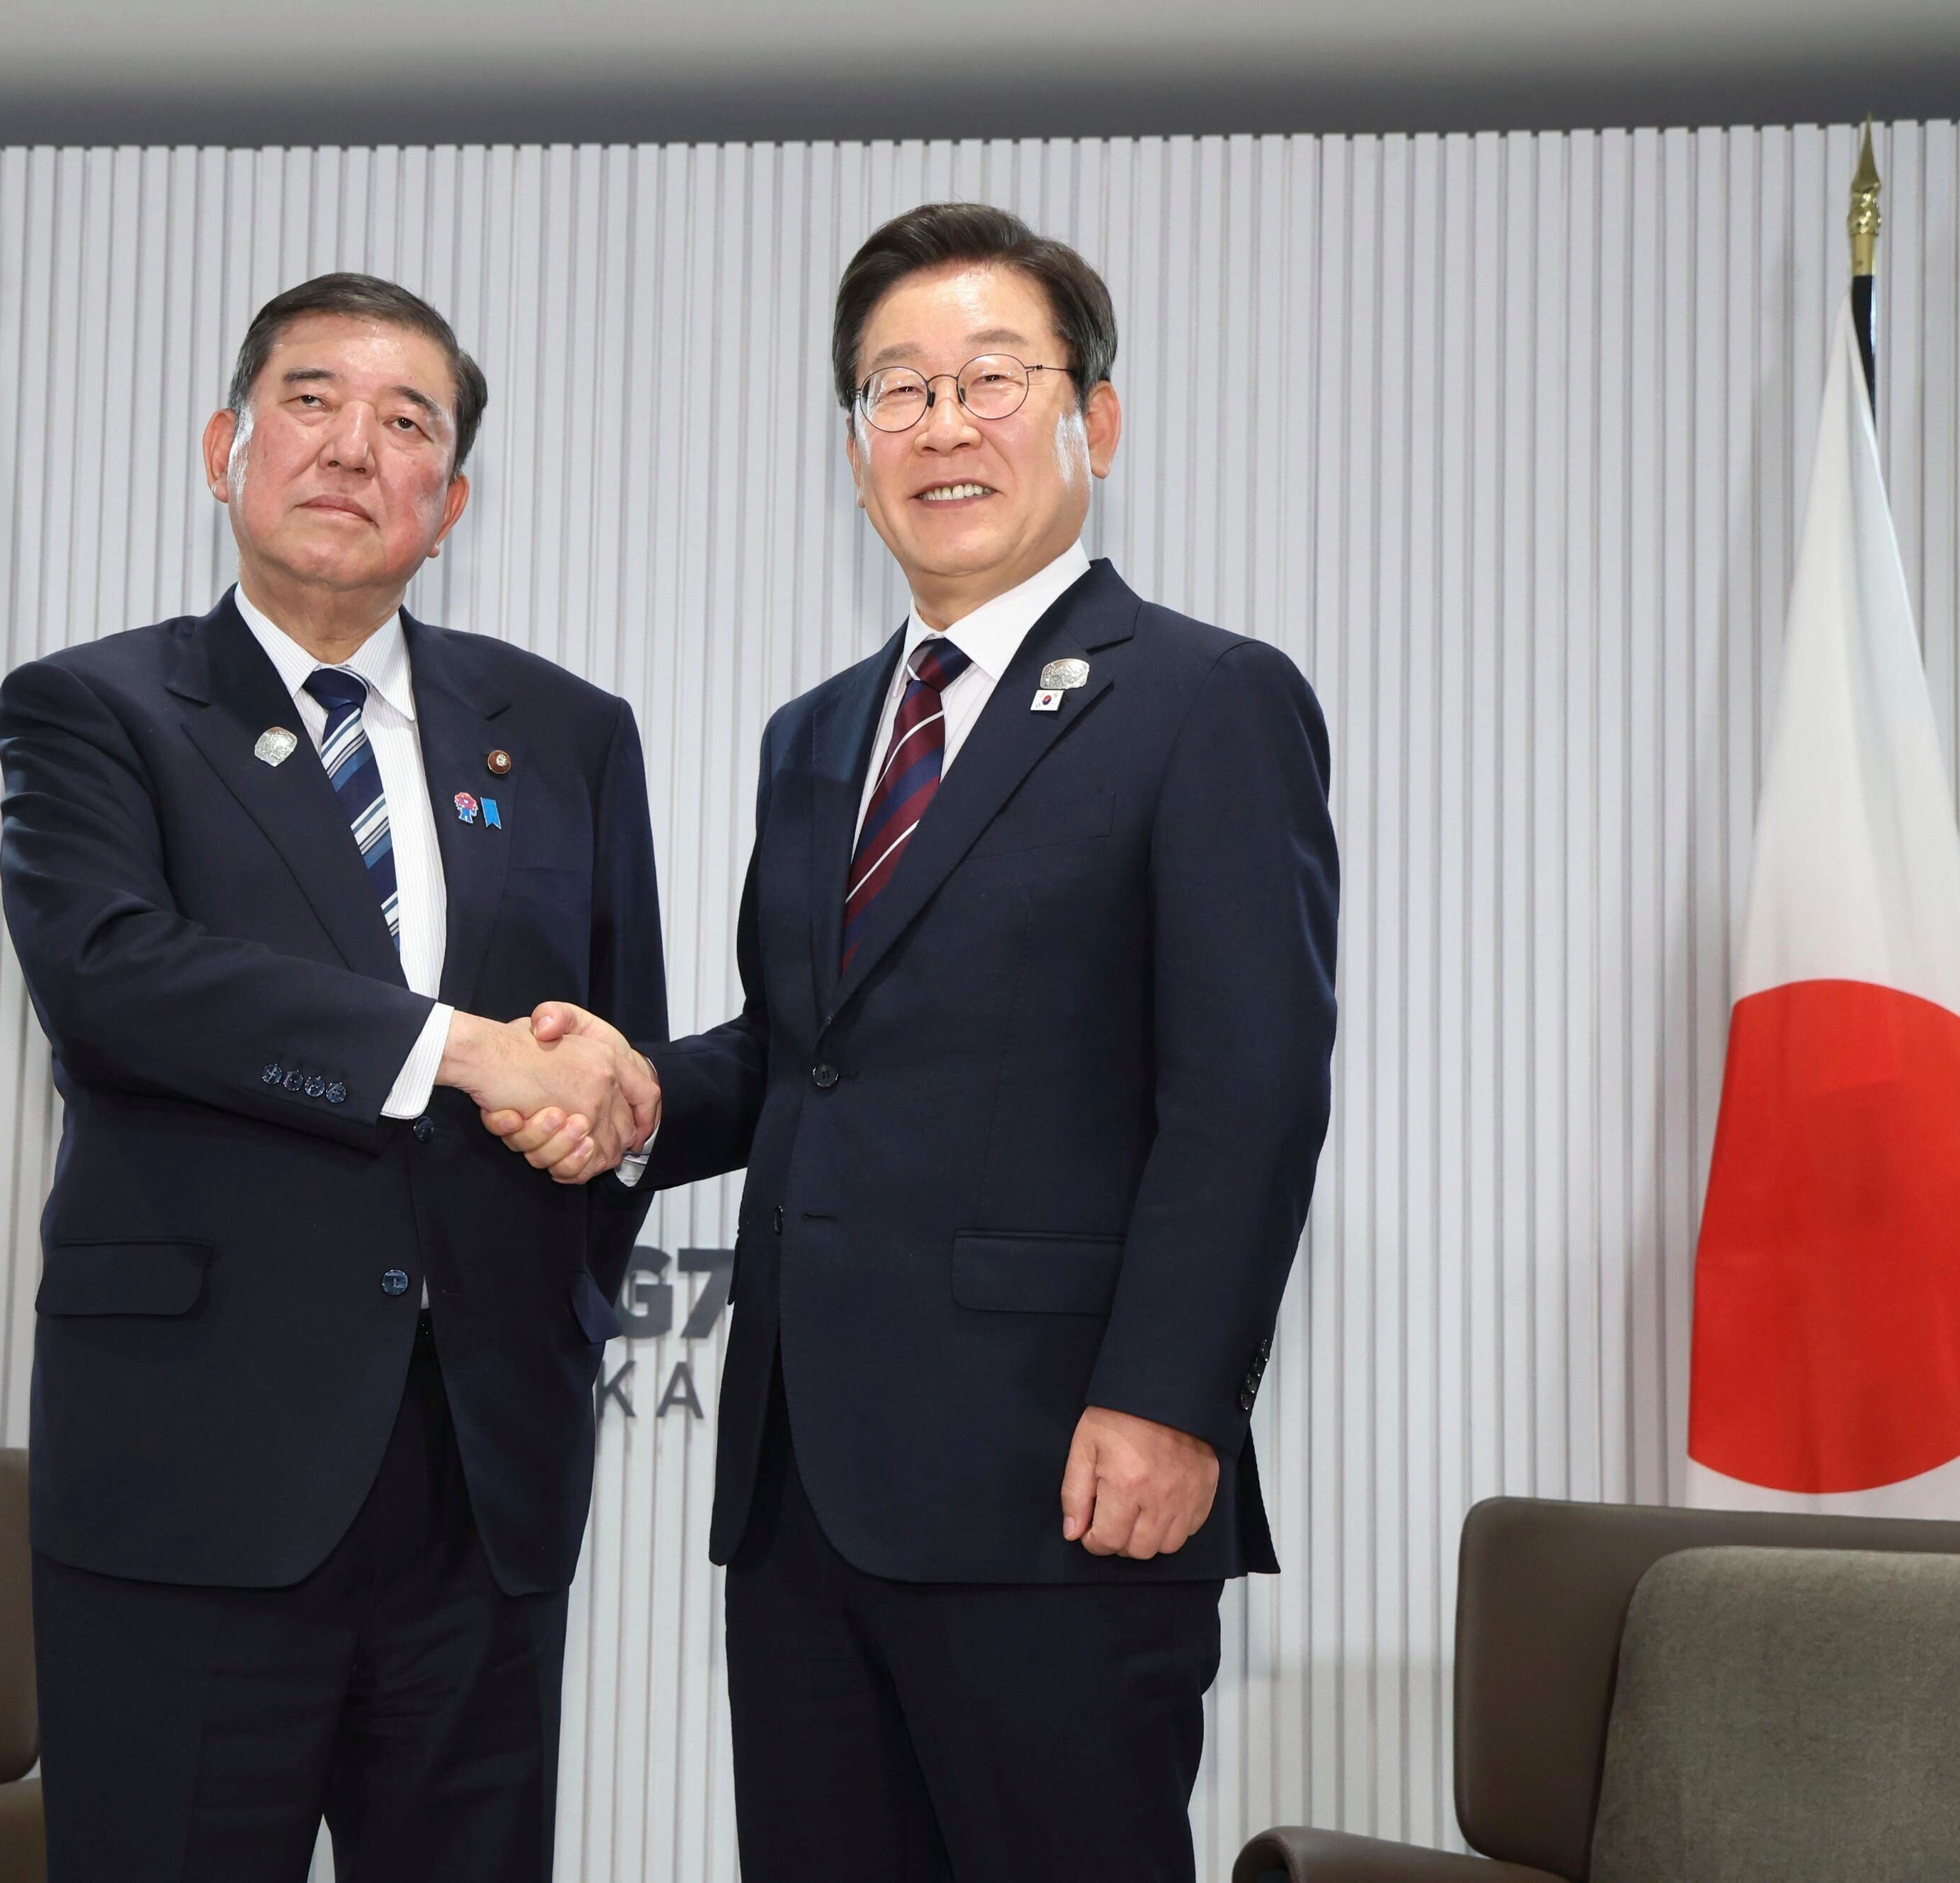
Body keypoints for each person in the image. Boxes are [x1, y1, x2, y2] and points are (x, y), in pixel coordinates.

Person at [490, 204, 1339, 1882]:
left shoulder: (1204, 699)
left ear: (1093, 417)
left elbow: (1248, 1086)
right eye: (897, 390)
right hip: (804, 1487)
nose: (943, 425)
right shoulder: (816, 734)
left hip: (1060, 1480)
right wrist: (635, 1087)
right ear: (855, 447)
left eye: (991, 378)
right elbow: (809, 1052)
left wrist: (1169, 1403)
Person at [0, 271, 666, 1883]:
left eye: (406, 422)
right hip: (195, 1470)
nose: (352, 448)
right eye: (310, 402)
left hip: (482, 1482)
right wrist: (457, 1048)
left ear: (448, 501)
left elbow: (608, 1047)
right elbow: (113, 980)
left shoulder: (567, 731)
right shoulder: (95, 708)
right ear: (223, 446)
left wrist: (602, 1125)